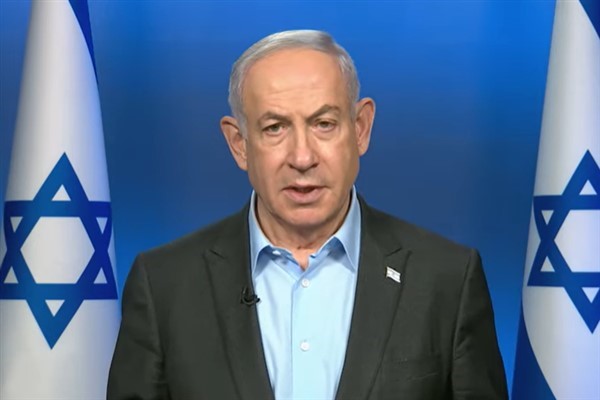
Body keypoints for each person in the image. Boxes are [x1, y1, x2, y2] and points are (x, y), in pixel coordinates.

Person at [107, 30, 508, 400]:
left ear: (361, 128)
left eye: (323, 124)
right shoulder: (164, 286)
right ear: (239, 143)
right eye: (275, 128)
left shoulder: (447, 279)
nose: (302, 157)